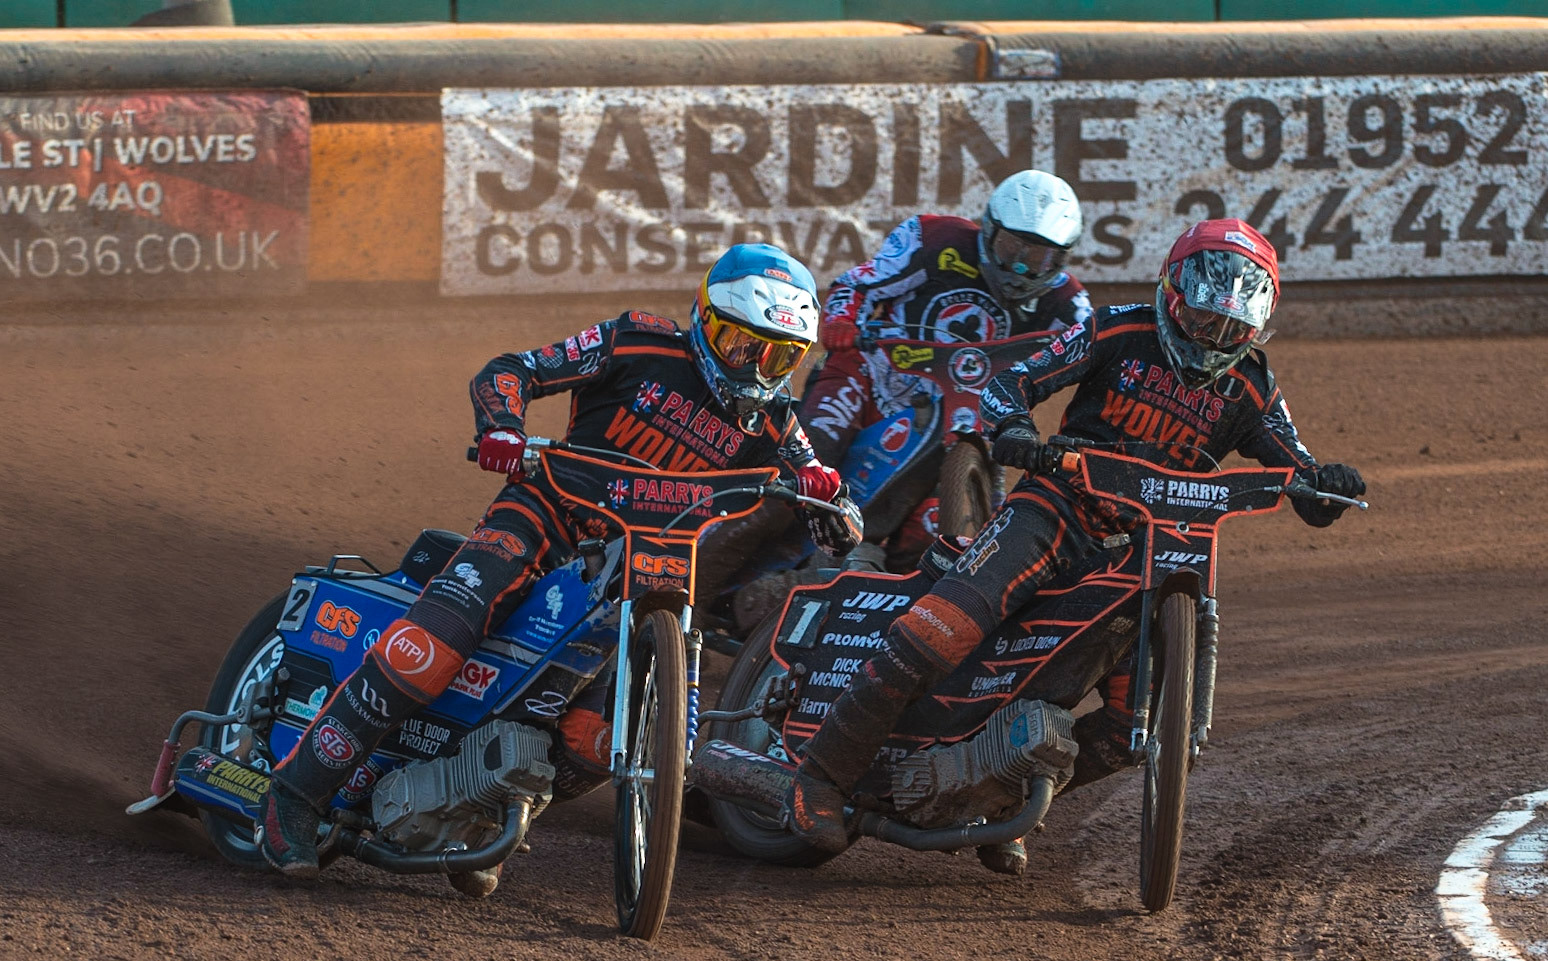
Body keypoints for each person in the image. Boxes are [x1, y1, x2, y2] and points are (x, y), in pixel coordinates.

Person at [257, 243, 863, 882]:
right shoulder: (634, 342)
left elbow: (820, 482)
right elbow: (510, 370)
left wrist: (836, 510)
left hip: (644, 567)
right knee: (433, 646)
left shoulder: (774, 419)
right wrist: (502, 427)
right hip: (545, 517)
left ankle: (479, 806)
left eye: (781, 356)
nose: (759, 369)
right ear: (706, 322)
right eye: (745, 346)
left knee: (595, 740)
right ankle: (295, 793)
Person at [783, 219, 1367, 857]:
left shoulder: (1251, 385)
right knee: (935, 632)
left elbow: (1302, 473)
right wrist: (1013, 427)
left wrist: (1324, 484)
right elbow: (1013, 382)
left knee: (1125, 730)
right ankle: (820, 774)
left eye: (1232, 330)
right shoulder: (1118, 328)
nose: (1214, 340)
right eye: (1203, 322)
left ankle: (996, 792)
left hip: (1151, 550)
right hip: (1055, 508)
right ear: (1172, 296)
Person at [695, 169, 1092, 630]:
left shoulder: (1070, 307)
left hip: (960, 423)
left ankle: (818, 606)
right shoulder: (933, 238)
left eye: (1040, 257)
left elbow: (1094, 366)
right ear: (988, 230)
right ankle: (691, 594)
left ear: (1063, 259)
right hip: (872, 377)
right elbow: (858, 284)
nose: (1022, 268)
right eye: (1013, 249)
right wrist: (843, 322)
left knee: (926, 541)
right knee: (798, 473)